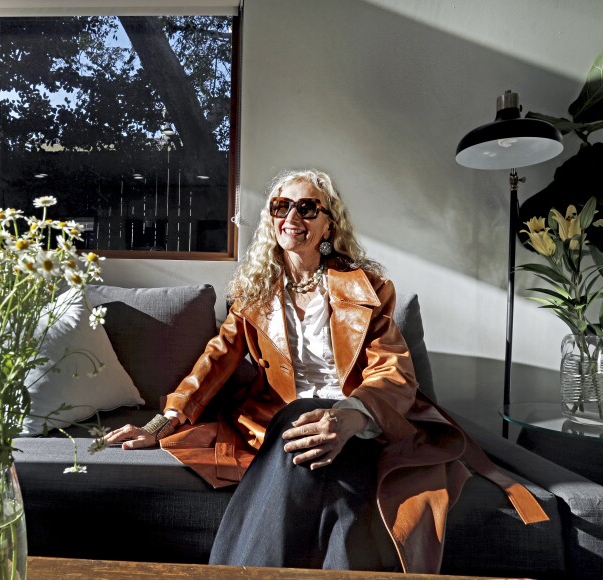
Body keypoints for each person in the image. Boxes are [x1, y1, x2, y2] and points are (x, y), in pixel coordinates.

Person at [104, 169, 548, 573]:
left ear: (328, 224)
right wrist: (163, 422)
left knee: (333, 462)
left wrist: (351, 416)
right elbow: (215, 361)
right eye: (281, 206)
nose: (291, 216)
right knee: (320, 452)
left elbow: (393, 371)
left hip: (357, 421)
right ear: (271, 219)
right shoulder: (252, 294)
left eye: (307, 207)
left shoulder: (369, 290)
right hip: (283, 420)